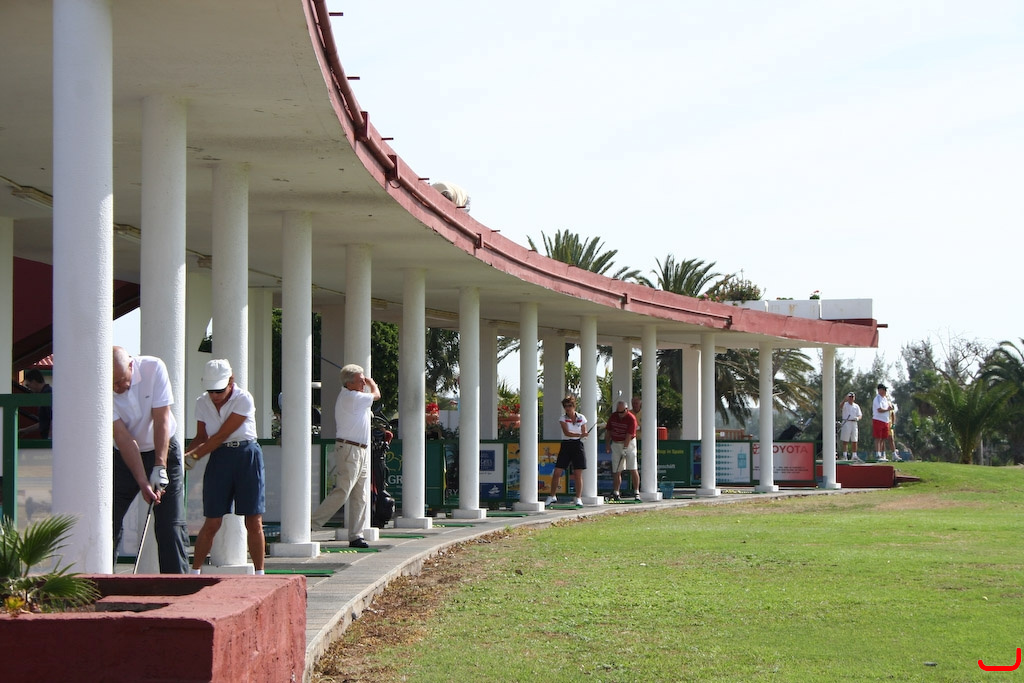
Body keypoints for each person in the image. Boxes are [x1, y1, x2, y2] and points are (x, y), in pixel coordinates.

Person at [184, 359, 266, 575]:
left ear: (231, 381)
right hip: (219, 457)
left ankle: (260, 574)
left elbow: (221, 435)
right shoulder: (202, 402)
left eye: (219, 390)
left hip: (246, 454)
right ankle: (195, 573)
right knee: (212, 520)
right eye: (210, 390)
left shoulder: (243, 398)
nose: (214, 395)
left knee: (253, 520)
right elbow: (201, 437)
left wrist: (194, 456)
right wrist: (182, 459)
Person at [111, 346, 189, 573]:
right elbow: (124, 438)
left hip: (163, 449)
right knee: (109, 521)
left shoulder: (153, 368)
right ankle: (103, 581)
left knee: (170, 525)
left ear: (131, 365)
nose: (117, 388)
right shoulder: (100, 386)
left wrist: (159, 467)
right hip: (123, 457)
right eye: (112, 383)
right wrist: (142, 481)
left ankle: (178, 587)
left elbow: (161, 420)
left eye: (121, 381)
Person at [310, 364, 381, 547]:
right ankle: (311, 524)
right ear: (349, 384)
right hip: (350, 449)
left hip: (361, 450)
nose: (363, 383)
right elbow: (377, 395)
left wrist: (365, 381)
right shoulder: (352, 397)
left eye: (364, 380)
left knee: (361, 495)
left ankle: (356, 535)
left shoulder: (355, 396)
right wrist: (372, 383)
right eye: (360, 381)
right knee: (343, 491)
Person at [545, 396, 587, 508]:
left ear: (574, 406)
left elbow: (584, 431)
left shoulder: (581, 417)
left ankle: (578, 498)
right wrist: (580, 434)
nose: (568, 408)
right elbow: (567, 433)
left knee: (578, 473)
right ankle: (552, 496)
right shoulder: (562, 418)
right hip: (566, 445)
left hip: (578, 445)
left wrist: (583, 435)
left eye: (570, 406)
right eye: (566, 406)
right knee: (557, 472)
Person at [605, 399, 640, 501]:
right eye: (618, 412)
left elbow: (629, 435)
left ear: (626, 409)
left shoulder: (631, 418)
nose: (620, 414)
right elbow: (609, 431)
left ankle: (636, 492)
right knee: (616, 469)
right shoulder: (613, 416)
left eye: (622, 412)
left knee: (632, 467)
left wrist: (625, 448)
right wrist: (607, 444)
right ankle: (616, 492)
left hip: (629, 444)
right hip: (616, 443)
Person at [20, 369, 52, 439]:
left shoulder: (47, 394)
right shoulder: (46, 393)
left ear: (34, 382)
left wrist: (50, 438)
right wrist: (25, 430)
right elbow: (44, 422)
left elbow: (54, 418)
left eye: (28, 385)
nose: (28, 388)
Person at [871, 383, 895, 462]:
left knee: (883, 438)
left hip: (886, 421)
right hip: (878, 420)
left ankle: (882, 454)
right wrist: (888, 409)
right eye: (883, 390)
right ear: (879, 390)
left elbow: (890, 409)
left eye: (885, 390)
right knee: (878, 438)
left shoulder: (885, 399)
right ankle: (878, 454)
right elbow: (879, 409)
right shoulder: (877, 399)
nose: (885, 391)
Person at [838, 392, 863, 462]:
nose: (851, 398)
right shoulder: (845, 404)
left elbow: (860, 415)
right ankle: (845, 455)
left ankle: (854, 455)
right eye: (850, 397)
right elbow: (840, 406)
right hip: (847, 422)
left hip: (854, 423)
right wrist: (844, 400)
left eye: (852, 397)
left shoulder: (856, 406)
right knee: (845, 440)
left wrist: (857, 418)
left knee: (854, 439)